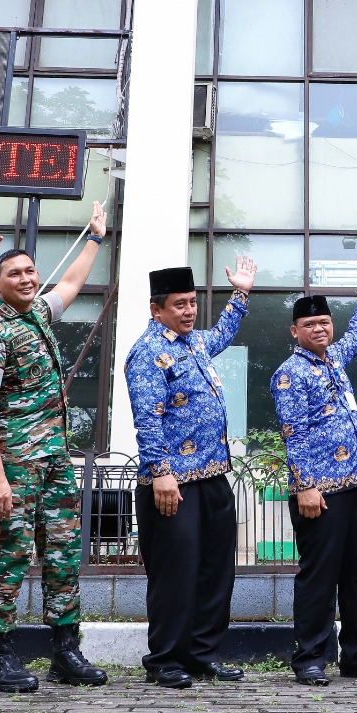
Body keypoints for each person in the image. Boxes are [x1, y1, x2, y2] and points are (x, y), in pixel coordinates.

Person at [0, 202, 111, 693]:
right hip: (17, 463)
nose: (27, 279)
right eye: (15, 274)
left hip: (53, 460)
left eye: (30, 271)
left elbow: (69, 285)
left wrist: (94, 237)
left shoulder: (39, 314)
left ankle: (66, 652)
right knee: (9, 553)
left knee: (65, 553)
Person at [124, 257, 258, 689]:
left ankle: (203, 653)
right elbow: (148, 418)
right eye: (179, 304)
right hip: (171, 484)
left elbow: (222, 333)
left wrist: (241, 294)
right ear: (155, 308)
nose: (188, 310)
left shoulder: (195, 343)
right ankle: (165, 659)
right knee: (174, 575)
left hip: (214, 477)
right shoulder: (146, 354)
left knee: (215, 571)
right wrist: (162, 473)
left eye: (192, 302)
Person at [271, 261, 357, 687]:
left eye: (325, 322)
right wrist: (306, 486)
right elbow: (295, 436)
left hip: (353, 486)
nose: (321, 330)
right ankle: (309, 657)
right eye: (311, 324)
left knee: (354, 577)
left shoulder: (332, 361)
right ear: (295, 331)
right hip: (319, 494)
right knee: (318, 577)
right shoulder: (289, 374)